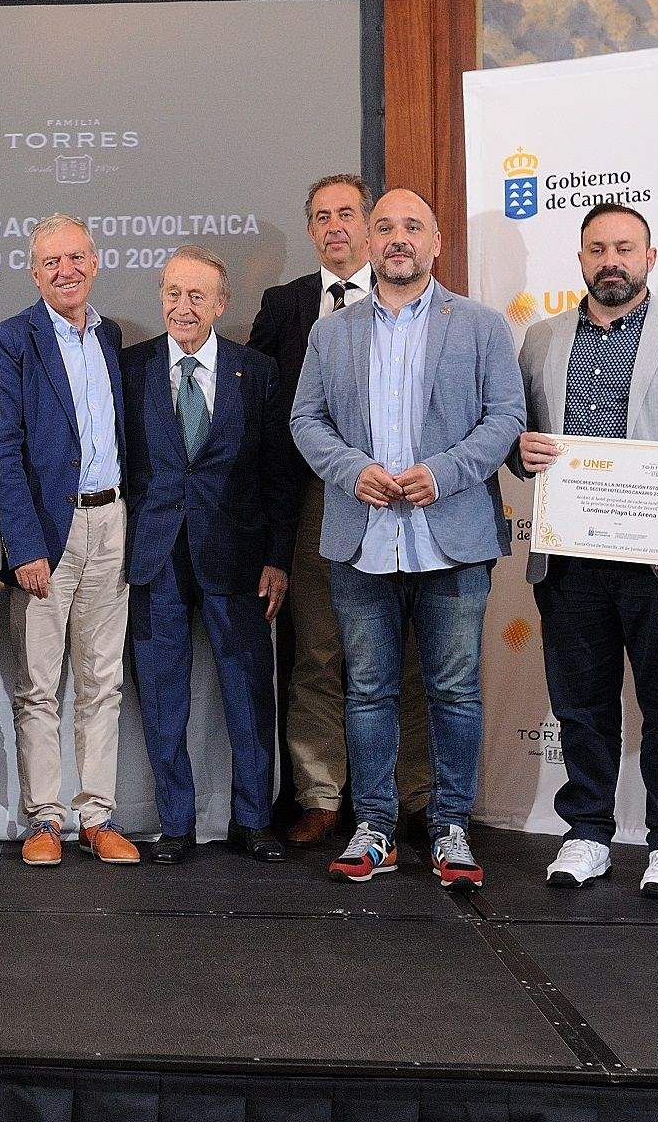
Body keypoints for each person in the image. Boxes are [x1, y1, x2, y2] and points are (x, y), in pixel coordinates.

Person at [509, 202, 658, 900]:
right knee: (581, 709)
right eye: (595, 249)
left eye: (624, 247)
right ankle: (587, 833)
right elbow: (523, 443)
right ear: (579, 259)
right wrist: (519, 455)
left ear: (649, 256)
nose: (609, 260)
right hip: (571, 561)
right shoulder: (543, 339)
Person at [291, 188, 523, 891]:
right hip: (363, 540)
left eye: (412, 227)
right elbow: (306, 420)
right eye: (384, 227)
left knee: (453, 691)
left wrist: (445, 473)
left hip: (450, 536)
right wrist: (352, 469)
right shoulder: (331, 332)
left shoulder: (481, 326)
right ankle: (376, 828)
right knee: (367, 692)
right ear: (367, 242)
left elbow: (506, 414)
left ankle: (450, 826)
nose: (398, 239)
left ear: (436, 243)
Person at [246, 174, 431, 848]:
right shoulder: (287, 304)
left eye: (348, 214)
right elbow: (268, 420)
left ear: (373, 224)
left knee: (408, 654)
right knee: (317, 656)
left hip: (408, 496)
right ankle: (320, 796)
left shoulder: (417, 302)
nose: (335, 228)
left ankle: (416, 796)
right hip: (318, 503)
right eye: (321, 217)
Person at [121, 246, 295, 866]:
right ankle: (175, 824)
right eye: (173, 294)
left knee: (248, 690)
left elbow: (279, 473)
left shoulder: (259, 371)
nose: (183, 307)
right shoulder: (131, 367)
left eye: (197, 296)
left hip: (239, 558)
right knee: (163, 693)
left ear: (222, 304)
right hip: (154, 555)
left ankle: (252, 819)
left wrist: (278, 556)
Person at [0, 214, 138, 869]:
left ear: (95, 261)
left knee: (103, 681)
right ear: (34, 271)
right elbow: (5, 448)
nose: (65, 270)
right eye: (51, 262)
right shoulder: (11, 339)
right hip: (49, 530)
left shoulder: (114, 338)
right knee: (39, 684)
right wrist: (23, 546)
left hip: (113, 524)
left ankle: (97, 816)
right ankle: (44, 819)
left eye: (75, 257)